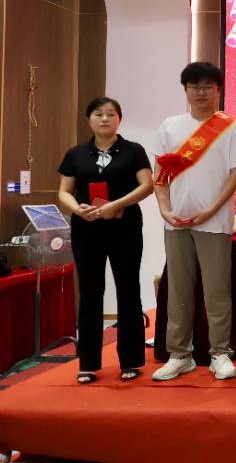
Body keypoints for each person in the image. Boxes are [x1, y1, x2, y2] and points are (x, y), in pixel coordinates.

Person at [151, 62, 236, 381]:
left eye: (208, 86)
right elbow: (160, 174)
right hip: (176, 222)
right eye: (194, 86)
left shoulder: (233, 128)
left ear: (218, 90)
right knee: (178, 290)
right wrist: (164, 209)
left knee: (217, 291)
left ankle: (219, 353)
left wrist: (212, 210)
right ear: (185, 89)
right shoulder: (170, 126)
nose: (201, 92)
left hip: (215, 222)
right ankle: (180, 355)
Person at [58, 97, 154, 384]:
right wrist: (78, 209)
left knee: (128, 289)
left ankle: (131, 360)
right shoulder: (76, 154)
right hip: (86, 228)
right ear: (89, 119)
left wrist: (116, 205)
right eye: (98, 114)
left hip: (124, 226)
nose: (104, 119)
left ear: (119, 119)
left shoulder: (133, 150)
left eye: (111, 114)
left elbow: (147, 186)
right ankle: (88, 363)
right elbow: (64, 192)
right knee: (90, 292)